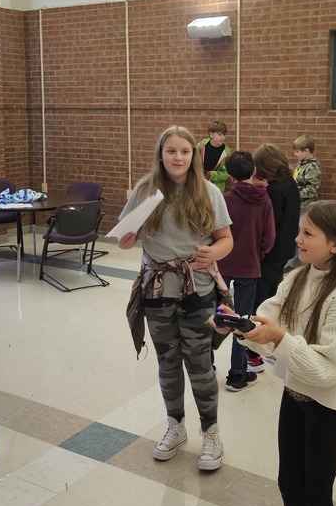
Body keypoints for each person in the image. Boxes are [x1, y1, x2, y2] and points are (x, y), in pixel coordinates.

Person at [217, 200, 336, 506]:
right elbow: (268, 317)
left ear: (335, 244)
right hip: (296, 394)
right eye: (300, 231)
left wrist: (281, 340)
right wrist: (240, 324)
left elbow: (327, 371)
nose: (297, 239)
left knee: (316, 493)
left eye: (308, 233)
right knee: (289, 482)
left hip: (330, 407)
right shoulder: (299, 276)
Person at [118, 125, 233, 471]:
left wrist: (213, 253)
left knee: (200, 365)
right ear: (161, 155)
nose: (178, 157)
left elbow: (226, 239)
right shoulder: (145, 190)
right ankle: (176, 425)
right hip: (157, 292)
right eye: (171, 151)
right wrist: (126, 239)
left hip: (197, 291)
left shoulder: (209, 192)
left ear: (193, 156)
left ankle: (211, 431)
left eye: (184, 151)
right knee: (168, 364)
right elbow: (125, 235)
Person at [217, 151, 275, 392]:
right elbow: (269, 238)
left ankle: (206, 367)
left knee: (215, 315)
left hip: (222, 264)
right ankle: (238, 374)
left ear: (230, 176)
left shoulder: (224, 199)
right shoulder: (265, 200)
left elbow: (213, 232)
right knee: (243, 320)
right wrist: (256, 255)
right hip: (249, 267)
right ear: (253, 171)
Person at [249, 143, 301, 373]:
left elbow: (270, 225)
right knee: (273, 298)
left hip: (271, 253)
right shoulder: (290, 183)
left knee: (259, 301)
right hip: (286, 249)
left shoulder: (273, 191)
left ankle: (253, 354)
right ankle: (270, 350)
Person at [197, 121, 232, 192]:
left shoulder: (227, 152)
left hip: (216, 190)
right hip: (199, 185)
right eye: (220, 134)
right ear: (211, 134)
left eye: (224, 135)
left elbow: (226, 174)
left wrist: (209, 174)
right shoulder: (201, 146)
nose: (223, 137)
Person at [293, 134, 323, 209]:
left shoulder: (312, 167)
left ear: (306, 151)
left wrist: (293, 194)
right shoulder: (300, 164)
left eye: (297, 151)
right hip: (297, 204)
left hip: (306, 206)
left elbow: (311, 190)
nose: (295, 154)